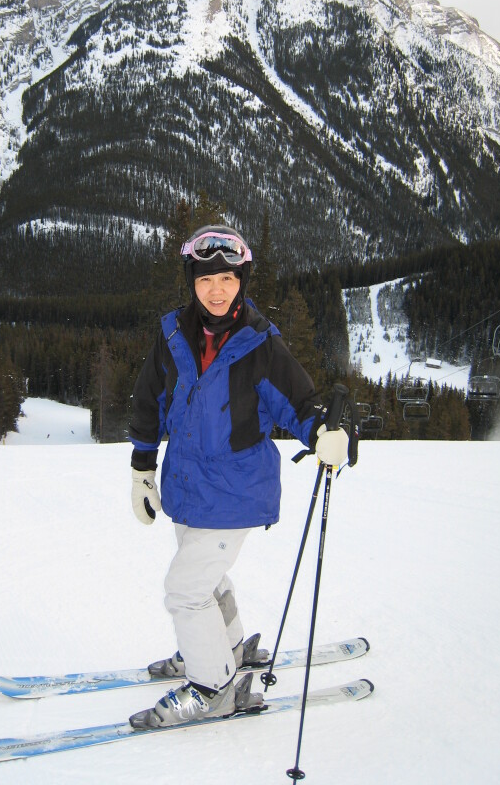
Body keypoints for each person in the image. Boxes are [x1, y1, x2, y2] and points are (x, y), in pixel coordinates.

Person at [127, 224, 350, 729]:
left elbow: (300, 402)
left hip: (235, 491)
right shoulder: (172, 336)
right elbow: (149, 402)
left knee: (185, 589)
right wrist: (143, 470)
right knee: (206, 578)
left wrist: (324, 435)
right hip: (186, 487)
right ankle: (221, 647)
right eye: (207, 279)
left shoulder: (260, 345)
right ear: (193, 282)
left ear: (241, 281)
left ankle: (214, 686)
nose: (217, 289)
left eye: (227, 278)